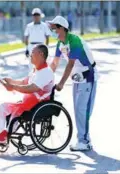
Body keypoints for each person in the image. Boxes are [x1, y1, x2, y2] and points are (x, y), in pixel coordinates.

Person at [0, 45, 54, 144]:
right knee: (2, 108)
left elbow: (32, 88)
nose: (30, 55)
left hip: (38, 104)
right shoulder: (35, 70)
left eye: (32, 52)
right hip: (27, 103)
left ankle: (5, 135)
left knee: (17, 110)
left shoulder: (46, 72)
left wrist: (12, 87)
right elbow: (24, 83)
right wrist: (10, 81)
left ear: (41, 54)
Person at [47, 16, 98, 151]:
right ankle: (83, 139)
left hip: (88, 76)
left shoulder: (74, 40)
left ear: (62, 28)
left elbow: (70, 64)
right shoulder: (60, 43)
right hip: (77, 78)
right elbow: (54, 63)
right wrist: (44, 77)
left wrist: (61, 83)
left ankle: (85, 141)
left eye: (54, 28)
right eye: (51, 28)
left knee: (83, 110)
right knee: (78, 110)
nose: (52, 31)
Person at [24, 8, 52, 73]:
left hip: (41, 46)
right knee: (31, 64)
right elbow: (26, 37)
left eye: (37, 15)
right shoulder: (29, 26)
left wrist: (46, 47)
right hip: (31, 47)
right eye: (34, 15)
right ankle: (31, 79)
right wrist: (27, 48)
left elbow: (47, 37)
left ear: (40, 16)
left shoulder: (44, 26)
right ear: (32, 16)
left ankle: (41, 79)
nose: (36, 16)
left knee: (41, 64)